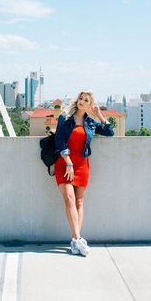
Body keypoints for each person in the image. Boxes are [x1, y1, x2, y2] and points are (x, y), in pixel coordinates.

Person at [54, 90, 114, 256]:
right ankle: (78, 239)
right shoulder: (65, 118)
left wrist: (99, 115)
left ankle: (75, 241)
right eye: (81, 98)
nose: (81, 101)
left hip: (82, 166)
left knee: (79, 202)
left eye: (86, 100)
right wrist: (68, 163)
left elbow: (110, 132)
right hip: (65, 164)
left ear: (90, 104)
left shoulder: (90, 123)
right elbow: (59, 140)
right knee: (69, 199)